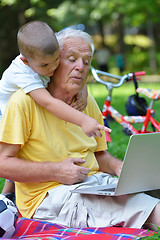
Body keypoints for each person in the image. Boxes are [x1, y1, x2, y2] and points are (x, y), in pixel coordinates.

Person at [0, 28, 160, 231]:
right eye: (72, 59)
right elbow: (2, 164)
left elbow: (99, 156)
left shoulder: (86, 101)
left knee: (153, 189)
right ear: (55, 61)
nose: (80, 67)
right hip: (48, 197)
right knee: (149, 207)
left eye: (86, 62)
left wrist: (119, 168)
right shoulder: (23, 102)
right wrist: (56, 171)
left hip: (94, 184)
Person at [0, 20, 111, 139]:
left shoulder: (42, 61)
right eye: (45, 65)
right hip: (4, 115)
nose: (53, 68)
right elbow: (48, 102)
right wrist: (83, 120)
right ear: (26, 61)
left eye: (57, 60)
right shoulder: (23, 74)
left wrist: (83, 91)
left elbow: (77, 71)